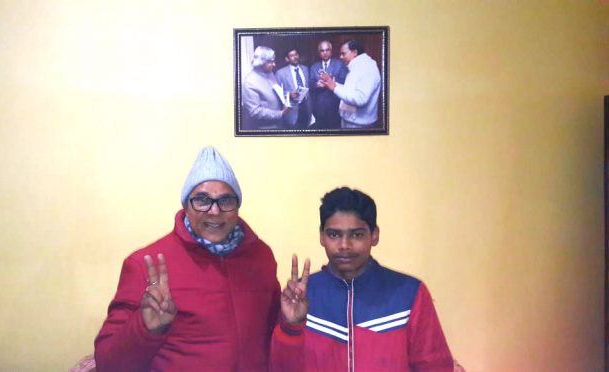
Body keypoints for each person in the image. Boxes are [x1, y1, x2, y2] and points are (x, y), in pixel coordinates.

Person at [95, 146, 281, 372]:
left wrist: (292, 324)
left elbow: (271, 334)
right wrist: (146, 329)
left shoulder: (260, 256)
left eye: (226, 200)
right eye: (202, 200)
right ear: (186, 205)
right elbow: (108, 364)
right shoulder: (145, 264)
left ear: (237, 207)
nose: (214, 211)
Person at [270, 187, 454, 372]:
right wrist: (292, 326)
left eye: (356, 235)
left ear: (374, 235)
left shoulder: (409, 294)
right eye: (334, 234)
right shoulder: (301, 296)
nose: (344, 245)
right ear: (321, 236)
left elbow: (436, 366)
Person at [319, 40, 381, 129]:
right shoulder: (357, 66)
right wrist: (332, 83)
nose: (340, 57)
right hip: (351, 121)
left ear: (354, 52)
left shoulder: (367, 68)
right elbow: (350, 91)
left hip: (359, 125)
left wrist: (334, 88)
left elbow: (361, 99)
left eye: (343, 54)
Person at [242, 46, 291, 130]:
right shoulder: (249, 82)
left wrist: (287, 96)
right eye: (270, 62)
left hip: (279, 124)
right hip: (265, 129)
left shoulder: (270, 73)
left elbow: (275, 92)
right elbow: (254, 112)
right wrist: (280, 113)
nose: (274, 64)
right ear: (261, 62)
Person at [309, 40, 348, 129]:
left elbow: (343, 81)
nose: (325, 53)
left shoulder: (340, 64)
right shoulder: (314, 66)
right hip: (319, 107)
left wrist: (329, 83)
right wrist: (316, 84)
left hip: (335, 105)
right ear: (319, 52)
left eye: (327, 50)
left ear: (331, 50)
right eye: (322, 51)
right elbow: (310, 83)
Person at [276, 48, 312, 129]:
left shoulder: (305, 69)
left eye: (296, 54)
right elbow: (277, 93)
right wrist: (289, 94)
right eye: (292, 55)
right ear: (287, 59)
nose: (295, 57)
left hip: (306, 108)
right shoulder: (280, 73)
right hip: (292, 111)